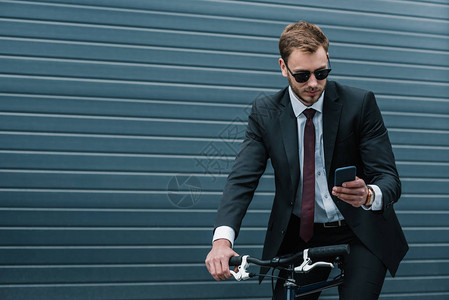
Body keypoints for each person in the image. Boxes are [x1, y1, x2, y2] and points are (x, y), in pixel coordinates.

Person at [205, 21, 408, 299]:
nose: (313, 83)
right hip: (302, 233)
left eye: (322, 72)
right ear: (283, 67)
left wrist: (369, 195)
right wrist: (221, 241)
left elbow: (389, 178)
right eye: (302, 75)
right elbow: (242, 180)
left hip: (360, 231)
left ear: (328, 60)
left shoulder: (359, 104)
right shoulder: (266, 112)